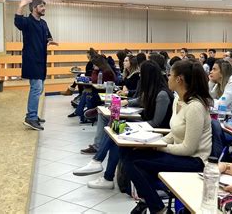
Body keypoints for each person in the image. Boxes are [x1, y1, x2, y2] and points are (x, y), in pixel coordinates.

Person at [123, 60, 213, 214]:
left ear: (179, 79)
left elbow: (188, 148)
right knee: (127, 153)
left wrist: (158, 147)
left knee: (133, 161)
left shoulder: (195, 107)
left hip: (195, 161)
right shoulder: (178, 100)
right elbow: (173, 133)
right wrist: (153, 144)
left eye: (170, 75)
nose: (167, 78)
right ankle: (153, 205)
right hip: (180, 155)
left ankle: (157, 208)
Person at [73, 60, 173, 190]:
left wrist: (132, 126)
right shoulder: (153, 91)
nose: (140, 78)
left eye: (142, 75)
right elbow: (140, 100)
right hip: (147, 128)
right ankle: (103, 171)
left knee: (117, 128)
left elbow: (156, 123)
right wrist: (125, 102)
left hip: (156, 133)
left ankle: (100, 166)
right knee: (115, 129)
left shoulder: (162, 95)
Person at [14, 0, 58, 130]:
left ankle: (33, 114)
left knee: (40, 89)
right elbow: (17, 21)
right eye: (41, 6)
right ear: (34, 8)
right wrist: (21, 6)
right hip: (31, 60)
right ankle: (31, 117)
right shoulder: (27, 22)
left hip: (41, 61)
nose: (44, 8)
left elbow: (48, 37)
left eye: (44, 6)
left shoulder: (43, 23)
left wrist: (50, 41)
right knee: (36, 88)